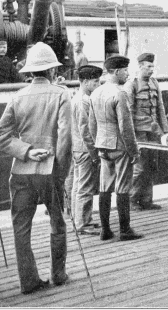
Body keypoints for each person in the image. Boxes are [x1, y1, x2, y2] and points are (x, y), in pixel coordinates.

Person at [0, 42, 71, 294]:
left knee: (21, 226)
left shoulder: (17, 96)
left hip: (21, 171)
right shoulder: (61, 94)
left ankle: (28, 280)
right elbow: (65, 139)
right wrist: (62, 174)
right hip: (50, 171)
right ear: (51, 71)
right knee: (57, 222)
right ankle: (58, 274)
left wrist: (26, 151)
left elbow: (0, 137)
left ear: (30, 72)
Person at [88, 55, 143, 241]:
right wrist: (134, 151)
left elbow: (91, 125)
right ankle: (125, 229)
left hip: (102, 145)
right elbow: (125, 127)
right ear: (117, 71)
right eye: (125, 71)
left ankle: (105, 230)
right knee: (122, 187)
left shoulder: (95, 93)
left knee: (104, 187)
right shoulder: (120, 93)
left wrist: (97, 144)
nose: (127, 74)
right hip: (120, 147)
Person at [124, 53, 168, 211]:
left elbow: (160, 109)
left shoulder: (154, 83)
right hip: (139, 132)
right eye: (148, 66)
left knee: (151, 165)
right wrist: (129, 135)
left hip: (154, 131)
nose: (151, 69)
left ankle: (146, 200)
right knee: (139, 167)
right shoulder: (132, 85)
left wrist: (165, 131)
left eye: (152, 66)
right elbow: (127, 112)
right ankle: (132, 199)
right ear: (140, 67)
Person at [71, 65, 103, 235]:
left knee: (78, 185)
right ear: (84, 82)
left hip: (77, 149)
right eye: (96, 81)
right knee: (85, 186)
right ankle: (83, 224)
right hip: (84, 150)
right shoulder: (83, 101)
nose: (99, 84)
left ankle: (80, 220)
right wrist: (95, 153)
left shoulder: (78, 98)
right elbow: (86, 130)